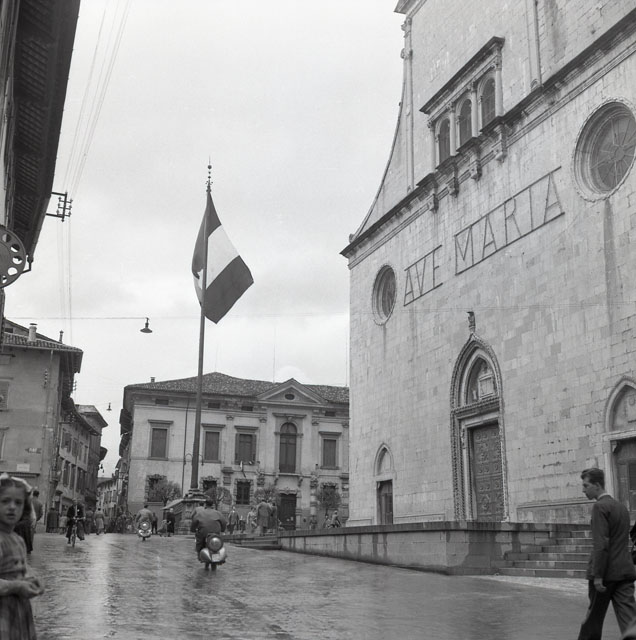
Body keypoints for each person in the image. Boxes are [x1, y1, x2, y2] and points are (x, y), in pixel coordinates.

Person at [577, 467, 636, 640]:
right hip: (625, 572)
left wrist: (597, 575)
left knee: (593, 622)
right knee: (630, 622)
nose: (583, 490)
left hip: (605, 575)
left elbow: (601, 544)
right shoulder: (621, 507)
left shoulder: (599, 507)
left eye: (586, 485)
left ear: (597, 485)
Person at [0, 473, 45, 639]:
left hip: (18, 613)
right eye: (5, 501)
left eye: (18, 502)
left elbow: (20, 568)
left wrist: (32, 579)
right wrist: (17, 586)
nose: (12, 507)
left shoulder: (17, 540)